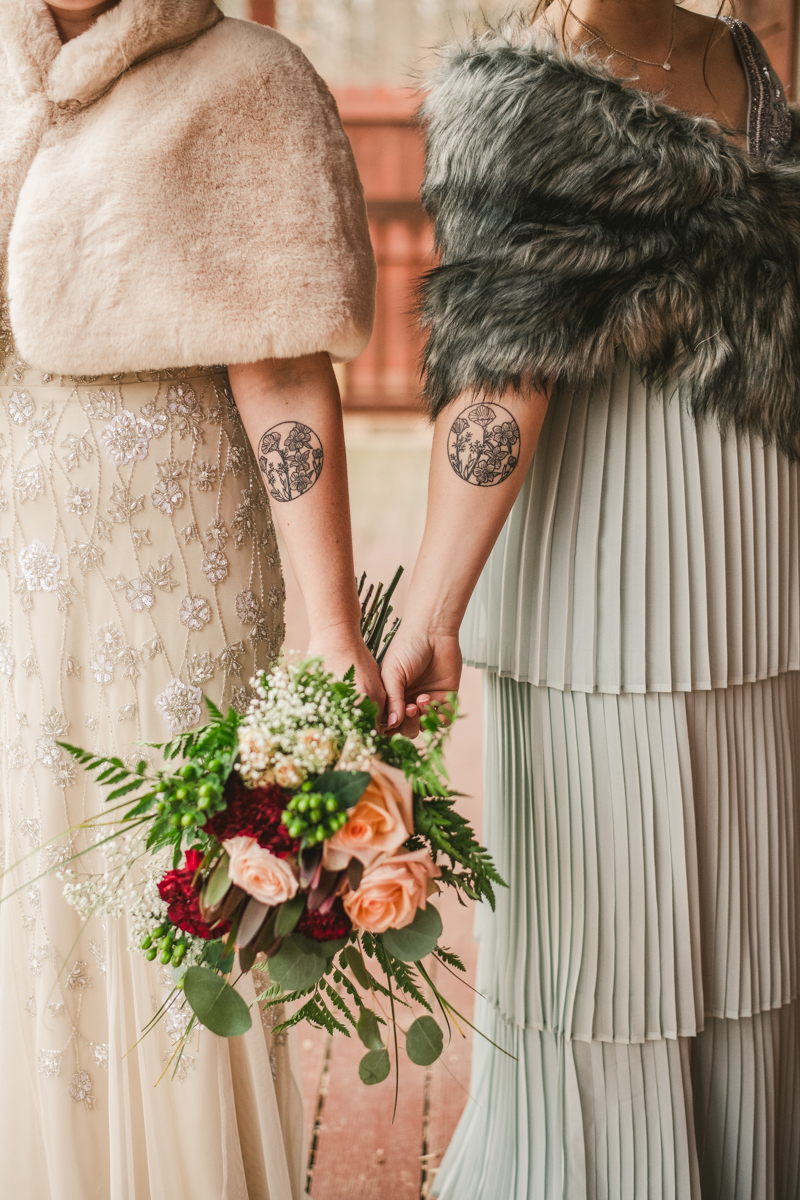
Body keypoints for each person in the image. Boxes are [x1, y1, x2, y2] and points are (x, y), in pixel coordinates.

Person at [381, 2, 799, 1196]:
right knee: (629, 951)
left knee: (716, 932)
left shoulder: (734, 50)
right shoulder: (572, 79)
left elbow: (497, 369)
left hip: (737, 568)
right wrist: (435, 604)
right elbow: (496, 379)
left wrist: (432, 611)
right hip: (619, 570)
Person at [0, 1, 381, 1196]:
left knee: (167, 901)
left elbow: (281, 369)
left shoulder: (248, 79)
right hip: (26, 551)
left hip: (177, 572)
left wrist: (327, 630)